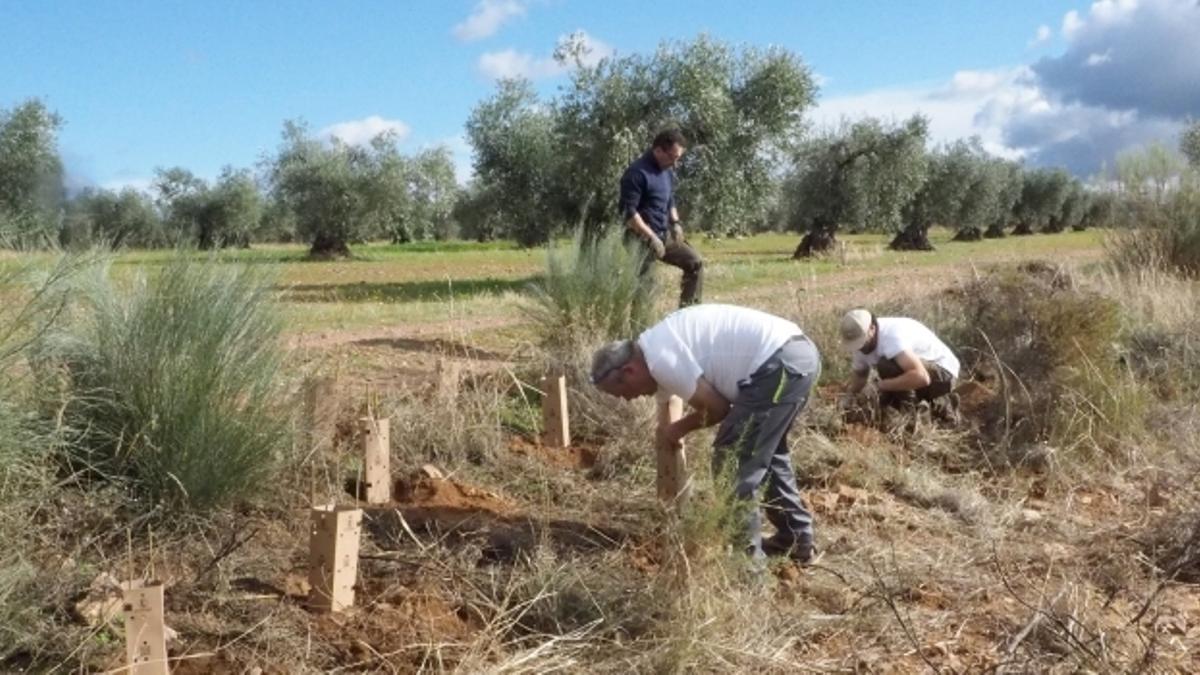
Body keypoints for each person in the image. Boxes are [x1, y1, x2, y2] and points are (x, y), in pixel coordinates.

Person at [589, 304, 820, 565]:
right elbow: (669, 404)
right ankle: (796, 541)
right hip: (796, 355)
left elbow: (717, 408)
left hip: (778, 364)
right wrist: (670, 431)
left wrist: (677, 429)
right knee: (765, 454)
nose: (629, 400)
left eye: (622, 393)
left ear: (629, 371)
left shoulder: (660, 360)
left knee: (732, 459)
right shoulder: (655, 348)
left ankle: (746, 569)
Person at [619, 129, 704, 307]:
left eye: (678, 158)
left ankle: (687, 316)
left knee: (695, 263)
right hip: (639, 238)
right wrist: (651, 238)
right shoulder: (636, 173)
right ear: (658, 151)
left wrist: (675, 223)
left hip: (663, 233)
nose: (675, 163)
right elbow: (629, 213)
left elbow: (669, 199)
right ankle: (640, 333)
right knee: (645, 288)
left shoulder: (666, 171)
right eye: (673, 157)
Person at [839, 309, 960, 422]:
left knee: (886, 366)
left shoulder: (892, 339)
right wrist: (849, 397)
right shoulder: (860, 344)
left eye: (862, 343)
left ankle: (911, 416)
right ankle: (937, 404)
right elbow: (860, 375)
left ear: (872, 328)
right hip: (917, 374)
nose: (860, 348)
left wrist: (881, 385)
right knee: (882, 399)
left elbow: (921, 377)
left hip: (944, 374)